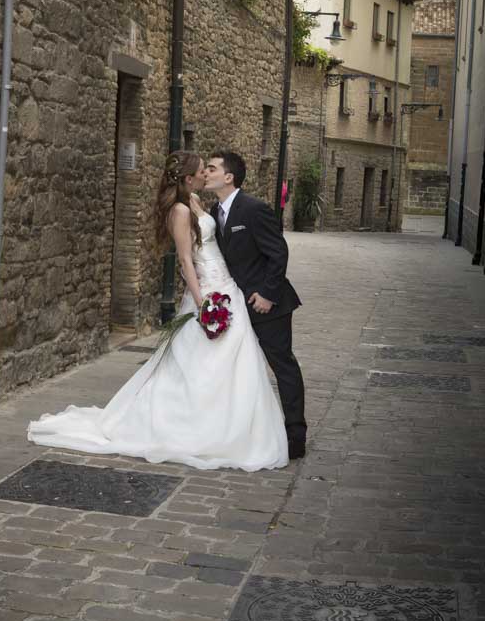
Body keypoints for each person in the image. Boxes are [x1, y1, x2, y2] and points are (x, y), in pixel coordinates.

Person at [27, 151, 288, 472]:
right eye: (202, 170)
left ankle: (234, 427)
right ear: (189, 177)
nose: (206, 173)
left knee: (237, 357)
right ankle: (193, 427)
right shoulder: (180, 210)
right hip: (208, 290)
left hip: (228, 286)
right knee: (201, 362)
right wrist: (202, 302)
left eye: (210, 168)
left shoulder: (196, 202)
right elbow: (186, 260)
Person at [205, 151, 307, 460]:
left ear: (229, 177)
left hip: (267, 306)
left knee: (283, 366)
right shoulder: (214, 211)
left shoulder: (254, 209)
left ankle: (296, 436)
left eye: (211, 168)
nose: (206, 172)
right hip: (235, 305)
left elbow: (278, 252)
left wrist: (267, 294)